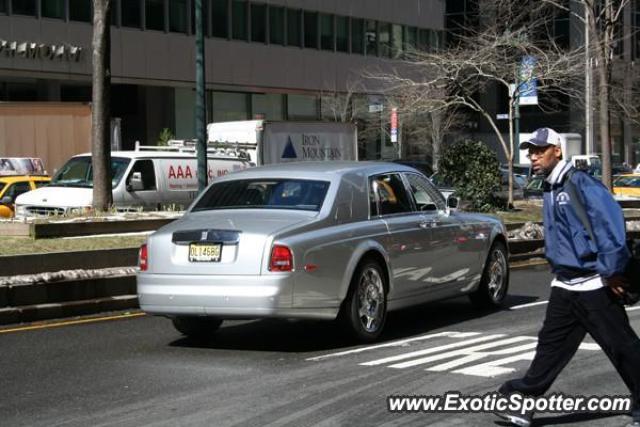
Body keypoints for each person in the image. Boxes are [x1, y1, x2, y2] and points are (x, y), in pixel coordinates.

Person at [494, 128, 640, 427]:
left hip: (594, 284)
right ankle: (522, 402)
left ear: (557, 151)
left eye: (540, 150)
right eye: (531, 151)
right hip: (564, 284)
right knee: (549, 348)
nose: (533, 156)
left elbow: (609, 228)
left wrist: (612, 273)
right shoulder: (548, 186)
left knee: (622, 348)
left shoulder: (581, 183)